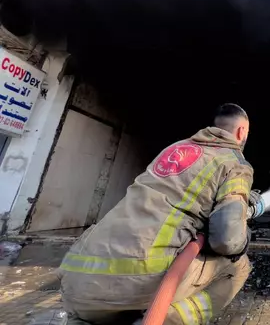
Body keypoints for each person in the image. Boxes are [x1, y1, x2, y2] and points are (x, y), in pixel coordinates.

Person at [59, 103, 257, 324]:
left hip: (78, 279)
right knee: (239, 266)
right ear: (242, 132)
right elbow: (226, 240)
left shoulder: (175, 148)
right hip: (139, 278)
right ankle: (163, 319)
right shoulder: (234, 163)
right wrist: (244, 233)